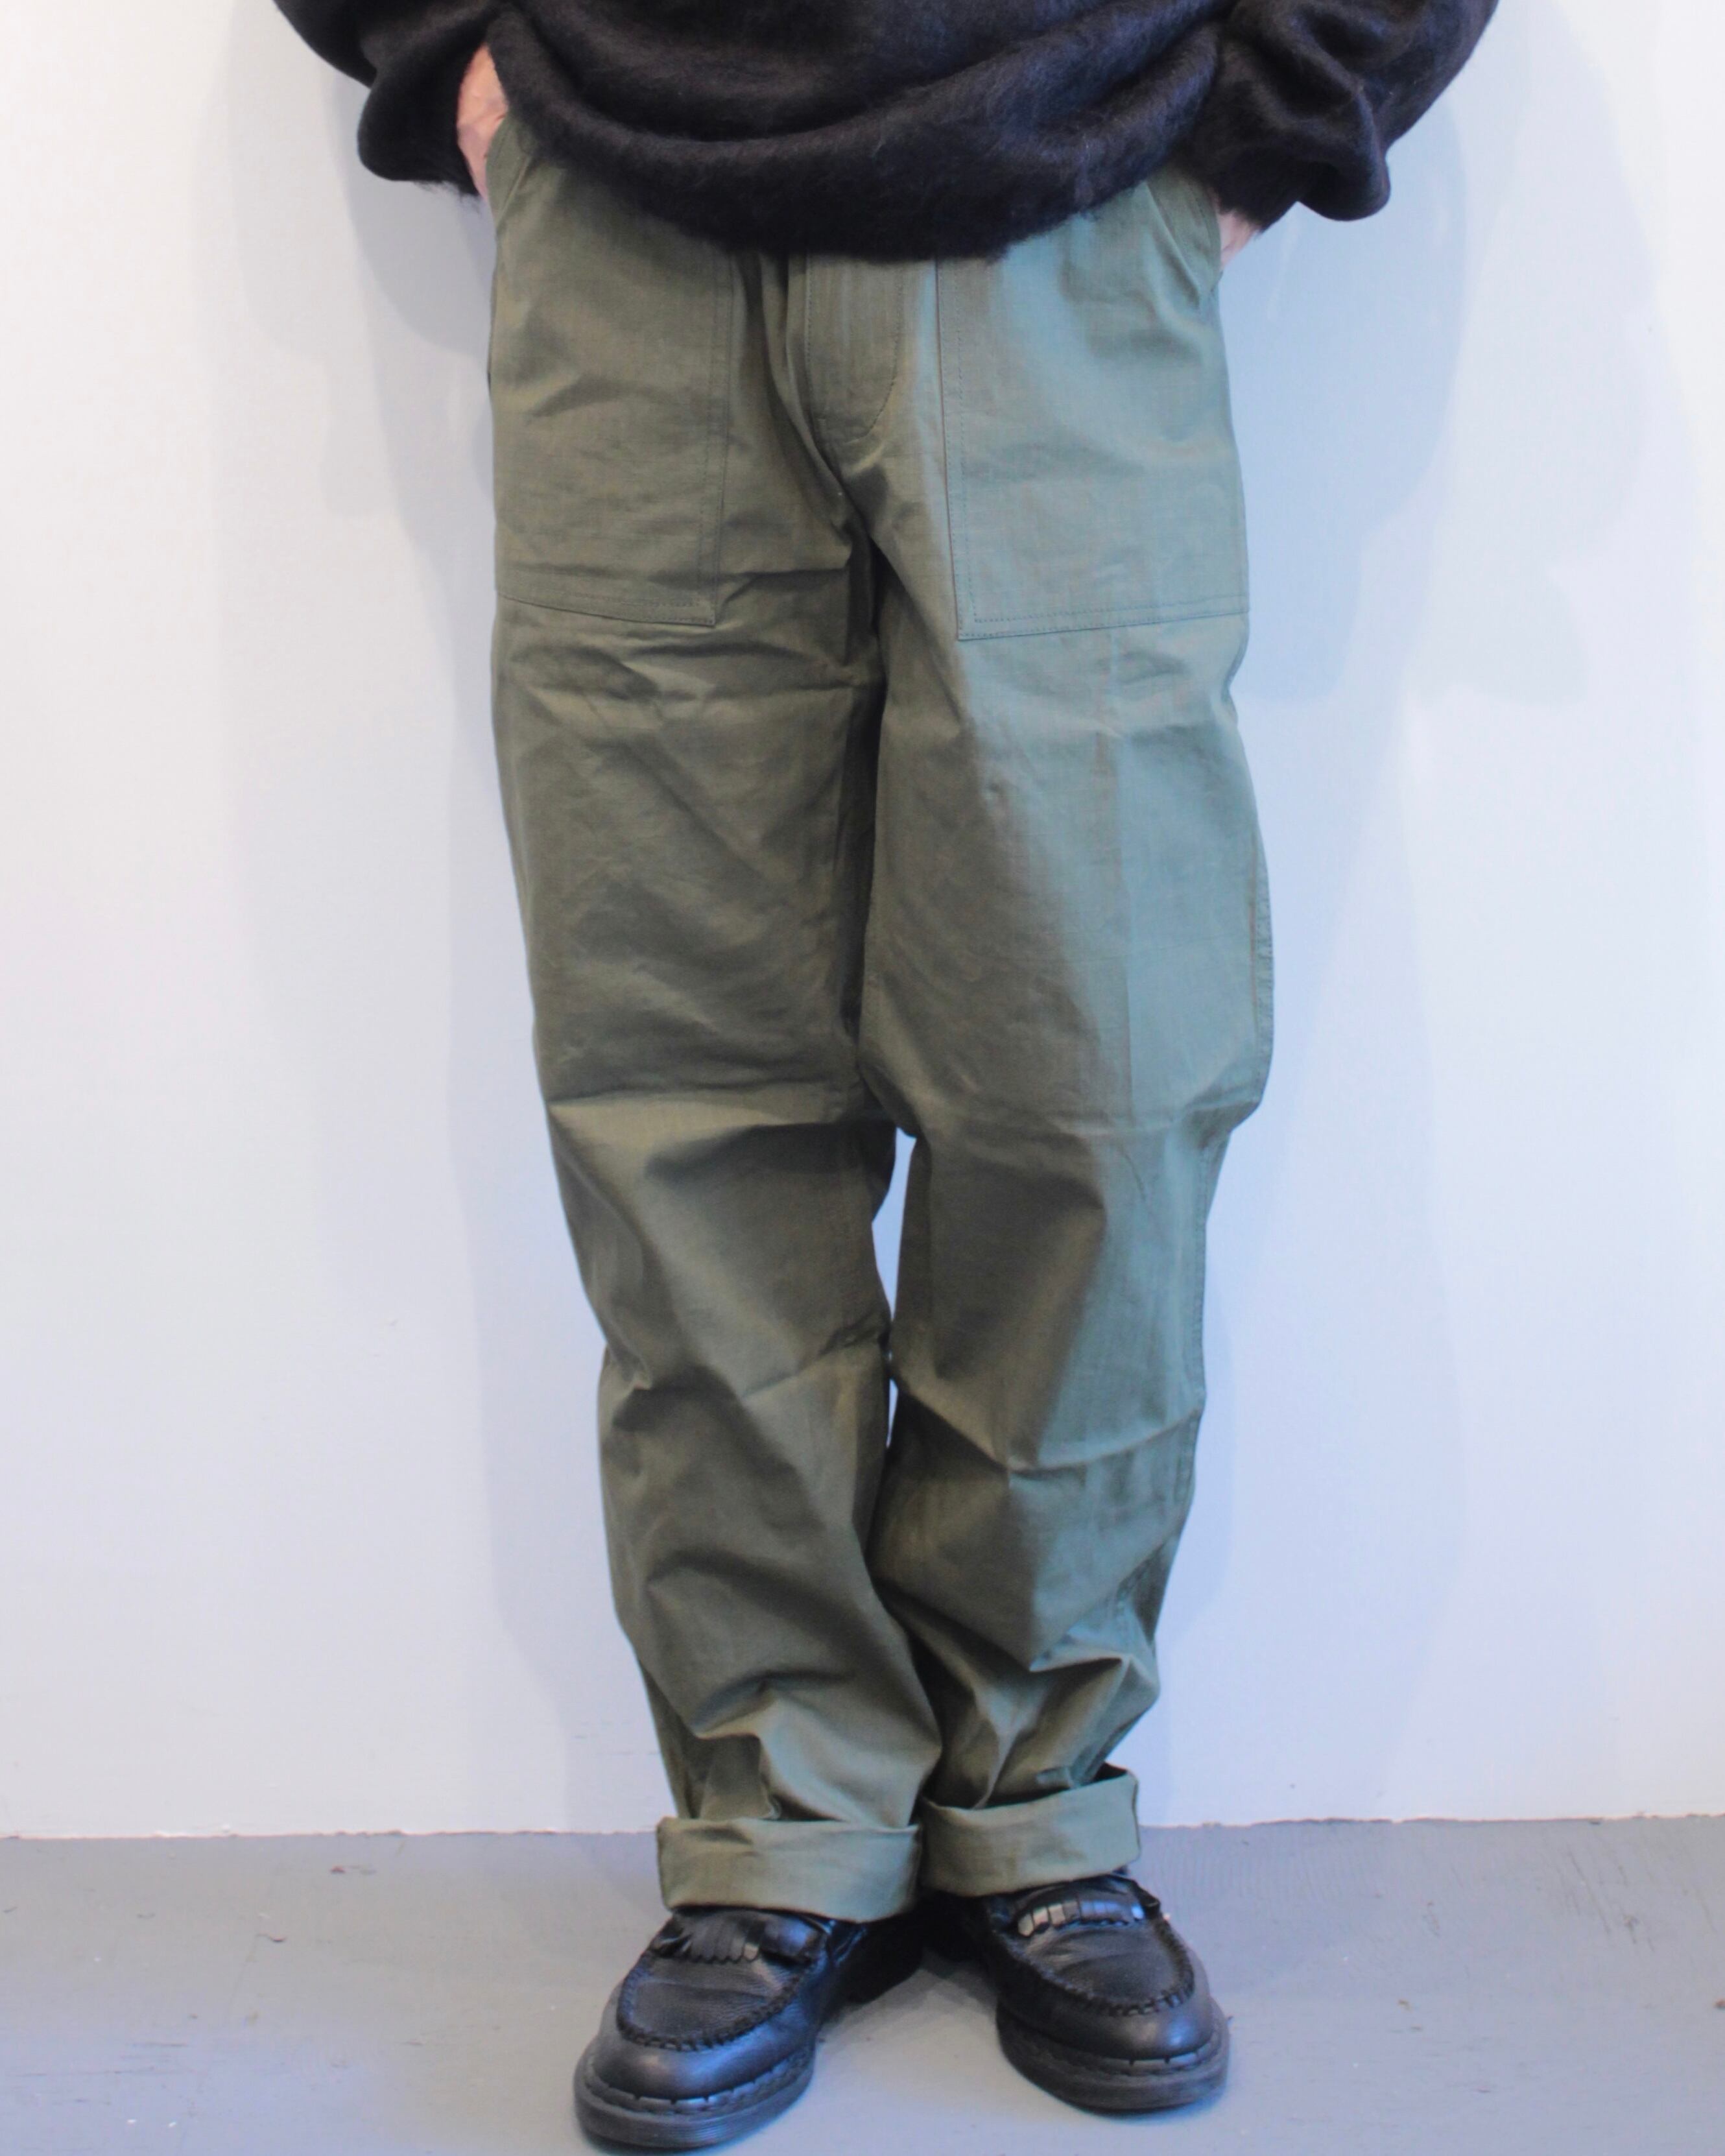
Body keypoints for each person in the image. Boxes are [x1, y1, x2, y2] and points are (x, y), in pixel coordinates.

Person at [275, 3, 1497, 2143]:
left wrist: (1279, 104)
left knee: (1093, 1065)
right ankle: (783, 1825)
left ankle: (1036, 1809)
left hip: (1070, 191)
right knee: (683, 1080)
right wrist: (444, 45)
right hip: (631, 212)